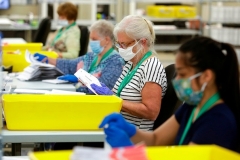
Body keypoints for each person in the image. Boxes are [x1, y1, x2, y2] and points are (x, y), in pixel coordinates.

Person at [99, 37, 240, 152]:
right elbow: (156, 140)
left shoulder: (217, 121)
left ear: (206, 76)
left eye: (182, 74)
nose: (176, 79)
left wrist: (129, 151)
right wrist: (131, 132)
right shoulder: (192, 107)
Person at [91, 15, 168, 131]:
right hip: (119, 126)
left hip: (134, 135)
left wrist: (114, 100)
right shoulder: (131, 64)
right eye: (119, 44)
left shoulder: (151, 67)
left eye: (125, 44)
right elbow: (120, 95)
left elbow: (151, 112)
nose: (121, 48)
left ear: (142, 42)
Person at [34, 19, 125, 93]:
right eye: (91, 39)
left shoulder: (115, 61)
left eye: (94, 39)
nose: (91, 42)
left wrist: (80, 80)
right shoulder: (91, 56)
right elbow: (70, 65)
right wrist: (47, 59)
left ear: (106, 40)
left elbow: (103, 86)